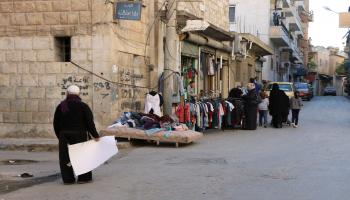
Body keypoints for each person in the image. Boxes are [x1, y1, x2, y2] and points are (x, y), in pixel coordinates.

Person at [53, 85, 100, 185]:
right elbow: (89, 123)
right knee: (82, 155)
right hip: (80, 135)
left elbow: (56, 123)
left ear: (67, 94)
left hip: (65, 135)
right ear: (78, 94)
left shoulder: (61, 106)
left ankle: (68, 179)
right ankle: (84, 178)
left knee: (65, 158)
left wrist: (60, 136)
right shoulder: (83, 106)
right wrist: (95, 135)